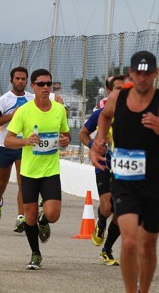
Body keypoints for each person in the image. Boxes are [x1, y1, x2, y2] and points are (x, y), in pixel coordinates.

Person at [90, 51, 159, 292]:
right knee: (129, 241)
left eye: (147, 73)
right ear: (130, 73)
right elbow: (105, 117)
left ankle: (144, 290)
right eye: (137, 73)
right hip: (125, 179)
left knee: (148, 246)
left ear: (155, 74)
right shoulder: (117, 98)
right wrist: (98, 141)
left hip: (154, 181)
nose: (142, 78)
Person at [5, 68, 70, 270]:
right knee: (29, 216)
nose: (45, 87)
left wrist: (64, 141)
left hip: (50, 170)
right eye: (40, 84)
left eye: (48, 84)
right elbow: (8, 140)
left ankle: (45, 219)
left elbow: (66, 138)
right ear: (32, 86)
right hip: (30, 172)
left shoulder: (59, 110)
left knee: (53, 214)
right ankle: (35, 253)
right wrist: (26, 141)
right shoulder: (24, 111)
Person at [79, 75, 124, 266]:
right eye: (118, 89)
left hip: (127, 169)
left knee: (122, 212)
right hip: (104, 165)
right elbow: (83, 133)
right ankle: (102, 223)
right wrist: (94, 145)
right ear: (110, 91)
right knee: (107, 207)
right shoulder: (101, 113)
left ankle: (107, 250)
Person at [0, 67, 34, 233]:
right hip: (5, 145)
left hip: (24, 145)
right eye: (17, 78)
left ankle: (20, 217)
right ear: (12, 80)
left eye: (23, 79)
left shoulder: (32, 98)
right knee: (2, 181)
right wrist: (13, 115)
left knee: (23, 181)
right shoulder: (3, 100)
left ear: (27, 81)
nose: (20, 81)